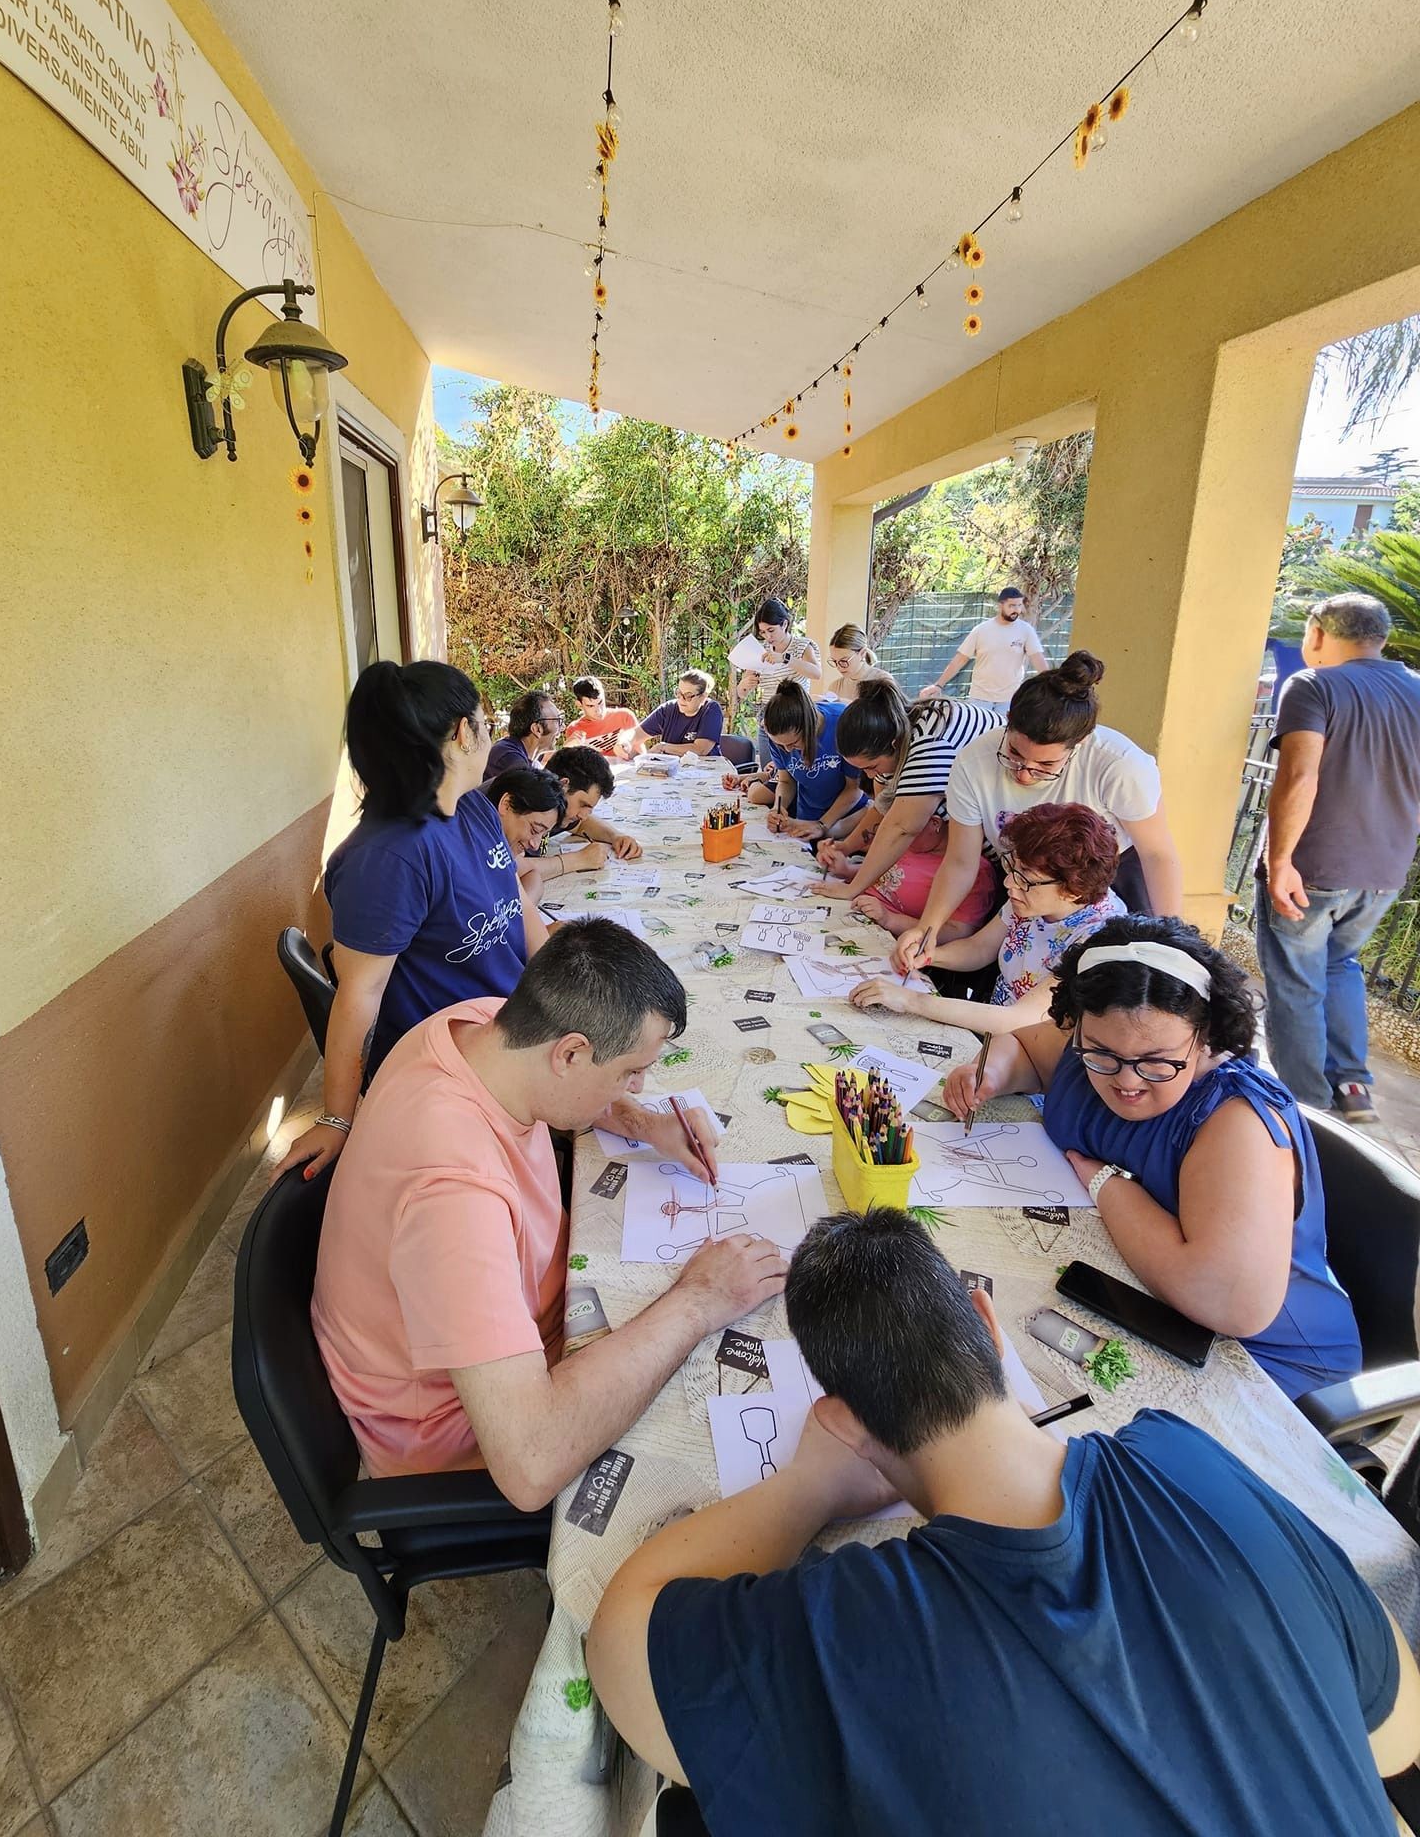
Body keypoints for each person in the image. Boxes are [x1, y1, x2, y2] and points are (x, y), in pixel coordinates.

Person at [587, 1207, 1419, 1837]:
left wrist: (807, 1488)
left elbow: (621, 1643)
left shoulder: (860, 1627)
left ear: (843, 1423)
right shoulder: (1181, 1453)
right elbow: (1394, 1729)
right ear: (987, 1326)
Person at [311, 923, 787, 1506]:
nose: (639, 1085)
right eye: (629, 1072)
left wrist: (645, 1123)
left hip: (514, 1340)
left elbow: (571, 1089)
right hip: (462, 1437)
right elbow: (530, 1465)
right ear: (571, 1053)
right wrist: (701, 1299)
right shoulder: (454, 1196)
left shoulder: (482, 1026)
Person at [940, 916, 1360, 1397]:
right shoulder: (1104, 1037)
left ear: (1205, 1036)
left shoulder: (1237, 1121)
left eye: (1157, 1061)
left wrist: (1106, 1184)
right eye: (1101, 1054)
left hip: (1259, 1357)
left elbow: (1229, 1302)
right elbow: (1023, 1049)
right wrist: (988, 1074)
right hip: (1125, 1290)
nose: (1127, 1081)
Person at [284, 662, 548, 1180]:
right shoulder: (387, 859)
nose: (491, 733)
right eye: (485, 721)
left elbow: (519, 908)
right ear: (463, 733)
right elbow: (359, 996)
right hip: (454, 1068)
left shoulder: (474, 809)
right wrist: (337, 1118)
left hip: (515, 1028)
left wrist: (567, 989)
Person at [893, 652, 1182, 975]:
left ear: (1081, 742)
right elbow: (961, 861)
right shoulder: (973, 762)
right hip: (1030, 883)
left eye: (1046, 765)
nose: (1024, 774)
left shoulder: (1121, 765)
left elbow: (1156, 854)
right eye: (1014, 754)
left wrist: (1171, 941)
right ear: (1007, 722)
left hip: (1111, 879)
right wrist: (927, 930)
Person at [1256, 592, 1420, 1126]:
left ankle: (1307, 1110)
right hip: (1384, 871)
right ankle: (1351, 1085)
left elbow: (1299, 776)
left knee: (1296, 983)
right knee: (1339, 965)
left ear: (1318, 633)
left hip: (1314, 866)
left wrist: (1280, 860)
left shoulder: (1314, 685)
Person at [851, 803, 1126, 1030]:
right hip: (993, 1037)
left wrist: (910, 1001)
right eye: (1012, 869)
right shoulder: (1030, 898)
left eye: (1025, 878)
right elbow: (980, 948)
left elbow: (1017, 1019)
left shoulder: (1099, 939)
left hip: (1025, 1057)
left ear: (1073, 891)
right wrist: (928, 956)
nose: (1009, 884)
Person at [811, 682, 1005, 924]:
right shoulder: (896, 738)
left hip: (1002, 849)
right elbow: (884, 808)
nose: (869, 775)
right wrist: (846, 847)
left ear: (893, 744)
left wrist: (852, 889)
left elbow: (902, 827)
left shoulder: (930, 742)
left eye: (872, 767)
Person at [742, 681, 865, 838]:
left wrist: (822, 824)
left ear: (809, 726)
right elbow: (786, 781)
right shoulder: (778, 737)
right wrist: (778, 808)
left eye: (793, 743)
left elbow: (854, 788)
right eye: (780, 745)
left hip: (846, 820)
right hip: (806, 817)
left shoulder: (842, 724)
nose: (787, 750)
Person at [920, 584, 1048, 708]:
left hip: (1010, 699)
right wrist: (939, 685)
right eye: (1012, 605)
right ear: (1000, 605)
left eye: (1019, 605)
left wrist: (1051, 687)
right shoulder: (981, 630)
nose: (1016, 610)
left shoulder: (1026, 630)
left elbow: (1037, 658)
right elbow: (960, 659)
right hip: (980, 698)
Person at [485, 767, 594, 899]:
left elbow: (530, 872)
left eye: (543, 835)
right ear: (507, 805)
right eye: (535, 830)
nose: (535, 845)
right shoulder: (475, 852)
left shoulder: (502, 852)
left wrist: (521, 908)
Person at [735, 598, 824, 741]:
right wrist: (744, 685)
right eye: (763, 632)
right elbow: (742, 693)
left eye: (771, 630)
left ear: (784, 624)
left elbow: (816, 673)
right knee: (767, 756)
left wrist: (785, 658)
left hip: (796, 714)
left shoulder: (802, 646)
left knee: (793, 754)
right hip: (768, 715)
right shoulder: (761, 650)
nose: (768, 636)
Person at [544, 746, 643, 861]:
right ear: (562, 786)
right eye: (583, 804)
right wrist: (578, 860)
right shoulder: (531, 813)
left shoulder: (560, 811)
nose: (583, 816)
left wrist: (615, 836)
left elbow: (580, 825)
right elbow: (525, 867)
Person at [633, 669, 724, 756]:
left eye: (688, 696)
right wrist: (626, 742)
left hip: (704, 765)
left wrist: (663, 747)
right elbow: (636, 734)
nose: (681, 699)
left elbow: (700, 749)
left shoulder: (711, 709)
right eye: (679, 693)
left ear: (703, 696)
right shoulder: (668, 709)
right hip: (671, 765)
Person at [482, 689, 565, 782]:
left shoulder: (523, 757)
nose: (563, 727)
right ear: (537, 729)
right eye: (558, 721)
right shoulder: (510, 758)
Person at [563, 675, 639, 755]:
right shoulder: (574, 730)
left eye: (600, 702)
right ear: (579, 704)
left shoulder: (624, 717)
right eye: (590, 706)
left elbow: (641, 755)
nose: (598, 710)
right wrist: (567, 750)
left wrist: (626, 747)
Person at [824, 623, 887, 703]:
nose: (838, 667)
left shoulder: (883, 682)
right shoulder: (835, 687)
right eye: (834, 661)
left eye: (844, 661)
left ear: (862, 653)